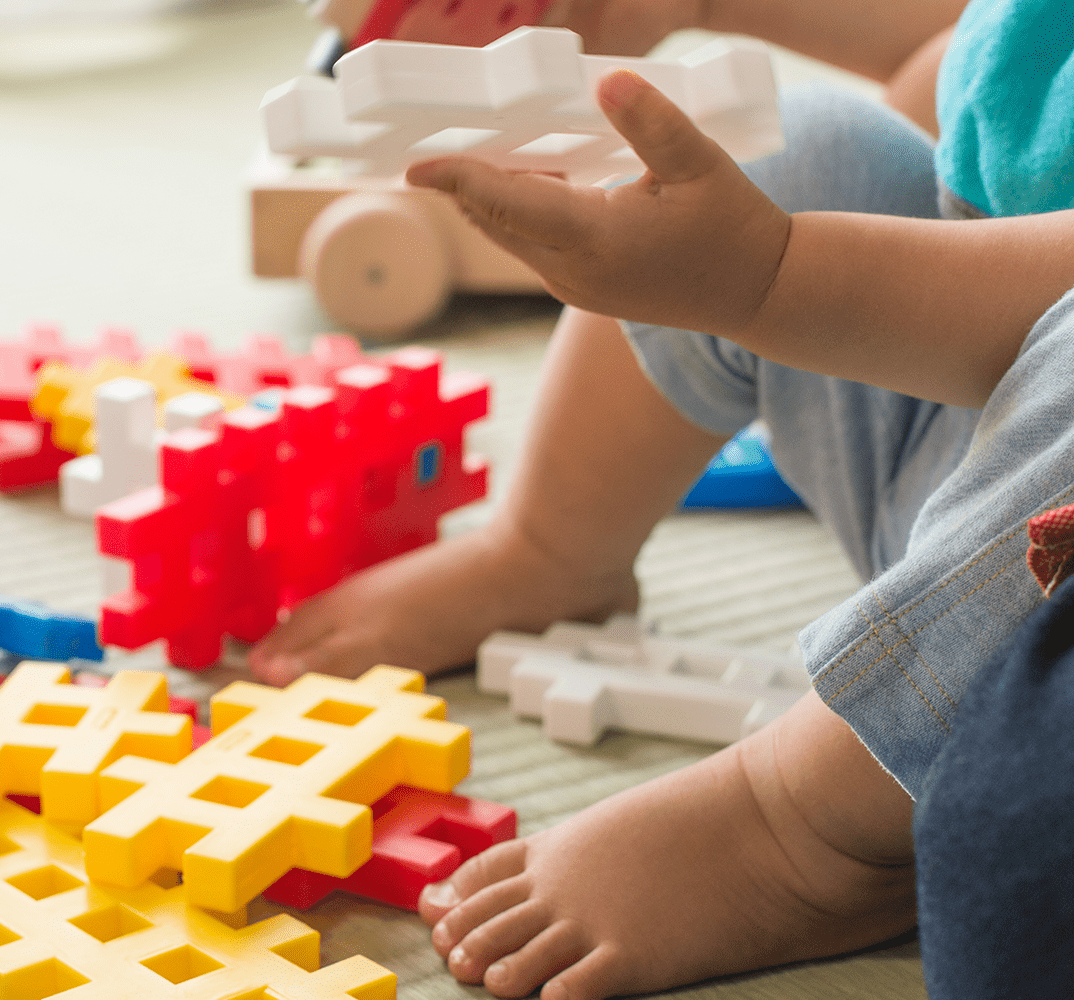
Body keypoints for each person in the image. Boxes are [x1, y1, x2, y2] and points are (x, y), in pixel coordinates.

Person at [243, 1, 1074, 997]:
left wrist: (766, 274)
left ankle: (800, 825)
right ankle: (547, 551)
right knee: (796, 148)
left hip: (1040, 584)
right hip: (980, 491)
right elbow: (945, 70)